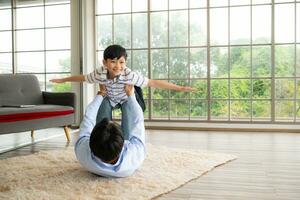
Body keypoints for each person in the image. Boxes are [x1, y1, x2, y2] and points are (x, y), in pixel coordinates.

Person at [50, 44, 194, 119]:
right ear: (105, 63)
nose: (117, 66)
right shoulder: (99, 73)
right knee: (102, 109)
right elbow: (82, 78)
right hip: (110, 98)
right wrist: (63, 79)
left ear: (125, 62)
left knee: (129, 119)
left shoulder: (129, 75)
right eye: (113, 62)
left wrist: (179, 88)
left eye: (121, 62)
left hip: (127, 98)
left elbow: (153, 83)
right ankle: (103, 139)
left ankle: (127, 141)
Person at [75, 85, 145, 178]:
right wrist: (131, 95)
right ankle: (126, 98)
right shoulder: (135, 155)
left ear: (90, 144)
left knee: (105, 101)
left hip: (102, 152)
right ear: (123, 144)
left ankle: (111, 96)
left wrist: (101, 93)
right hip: (124, 153)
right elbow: (138, 120)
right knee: (128, 102)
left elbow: (88, 118)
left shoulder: (82, 152)